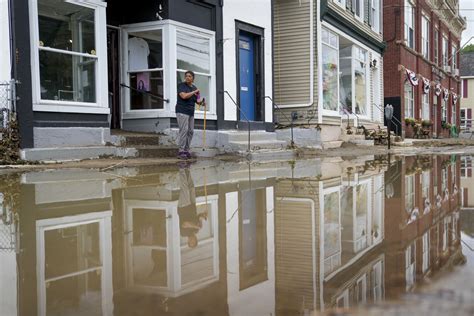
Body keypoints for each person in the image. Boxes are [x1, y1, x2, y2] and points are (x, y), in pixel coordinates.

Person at [176, 71, 204, 159]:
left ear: (193, 78)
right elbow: (184, 96)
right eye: (186, 76)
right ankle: (181, 151)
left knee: (190, 131)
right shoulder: (181, 85)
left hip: (191, 112)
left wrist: (201, 100)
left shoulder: (194, 87)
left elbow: (198, 101)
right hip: (182, 111)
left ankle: (186, 150)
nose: (187, 77)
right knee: (184, 130)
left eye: (189, 76)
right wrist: (194, 92)